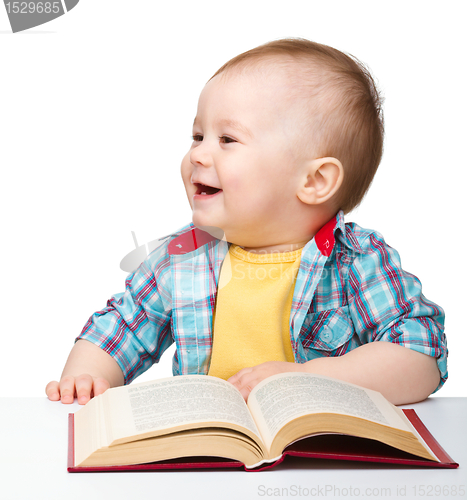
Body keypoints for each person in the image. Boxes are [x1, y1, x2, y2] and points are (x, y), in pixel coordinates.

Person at [46, 39, 447, 407]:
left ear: (314, 181)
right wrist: (87, 377)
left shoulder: (357, 261)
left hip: (323, 462)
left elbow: (421, 355)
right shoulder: (182, 258)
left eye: (227, 140)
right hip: (213, 454)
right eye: (198, 135)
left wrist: (308, 377)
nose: (198, 155)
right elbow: (122, 327)